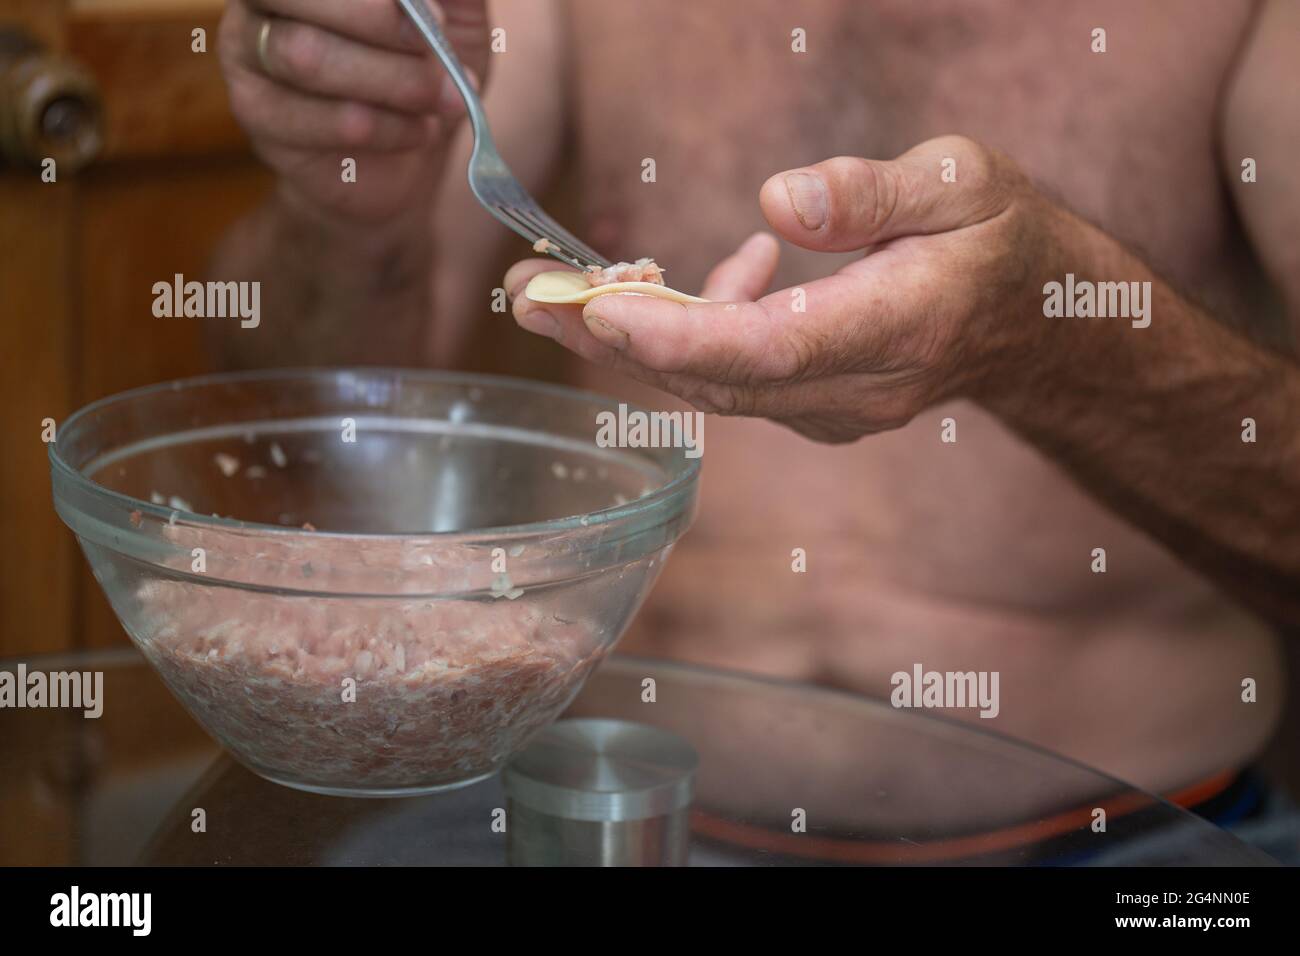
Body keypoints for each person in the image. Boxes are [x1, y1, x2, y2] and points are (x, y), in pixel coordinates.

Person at [213, 0, 1299, 851]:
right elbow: (324, 425)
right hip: (590, 816)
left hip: (1139, 842)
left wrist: (1054, 338)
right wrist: (357, 211)